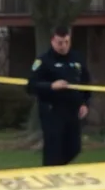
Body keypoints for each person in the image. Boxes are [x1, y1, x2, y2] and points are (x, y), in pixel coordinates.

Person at [27, 26, 92, 168]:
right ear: (52, 41)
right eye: (60, 42)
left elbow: (85, 83)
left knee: (75, 147)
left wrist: (84, 103)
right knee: (53, 149)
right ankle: (50, 176)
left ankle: (59, 170)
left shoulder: (77, 58)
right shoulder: (44, 61)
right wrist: (51, 86)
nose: (64, 46)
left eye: (67, 42)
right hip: (52, 111)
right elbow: (31, 86)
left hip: (72, 111)